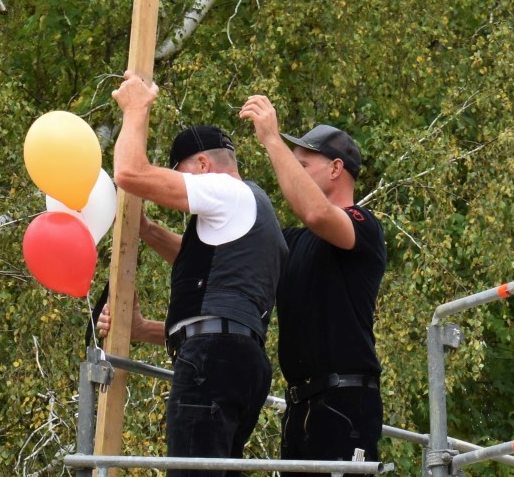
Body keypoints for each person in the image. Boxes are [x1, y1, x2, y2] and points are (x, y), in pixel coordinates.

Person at [97, 71, 288, 477]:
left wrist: (134, 110)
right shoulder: (249, 216)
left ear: (203, 164)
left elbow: (130, 172)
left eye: (181, 173)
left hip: (214, 360)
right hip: (240, 361)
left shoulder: (224, 189)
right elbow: (203, 270)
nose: (178, 185)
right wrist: (146, 232)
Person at [238, 95, 387, 464]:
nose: (294, 170)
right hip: (302, 407)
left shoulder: (363, 225)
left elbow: (317, 214)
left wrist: (273, 140)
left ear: (336, 169)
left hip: (346, 403)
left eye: (303, 164)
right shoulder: (293, 242)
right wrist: (147, 229)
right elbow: (229, 257)